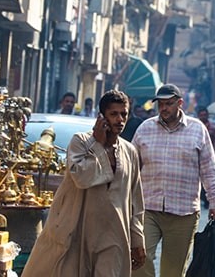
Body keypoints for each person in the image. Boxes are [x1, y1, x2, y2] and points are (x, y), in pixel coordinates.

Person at [22, 90, 145, 276]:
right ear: (102, 117)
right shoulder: (81, 142)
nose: (120, 120)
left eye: (124, 114)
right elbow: (81, 177)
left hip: (114, 235)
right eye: (114, 114)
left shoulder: (130, 152)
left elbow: (136, 200)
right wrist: (97, 143)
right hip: (79, 232)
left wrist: (137, 239)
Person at [131, 84, 215, 277]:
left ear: (180, 103)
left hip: (184, 212)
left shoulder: (197, 129)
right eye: (161, 104)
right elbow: (131, 168)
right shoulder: (145, 129)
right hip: (148, 208)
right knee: (139, 258)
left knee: (173, 271)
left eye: (169, 104)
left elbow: (209, 168)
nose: (164, 108)